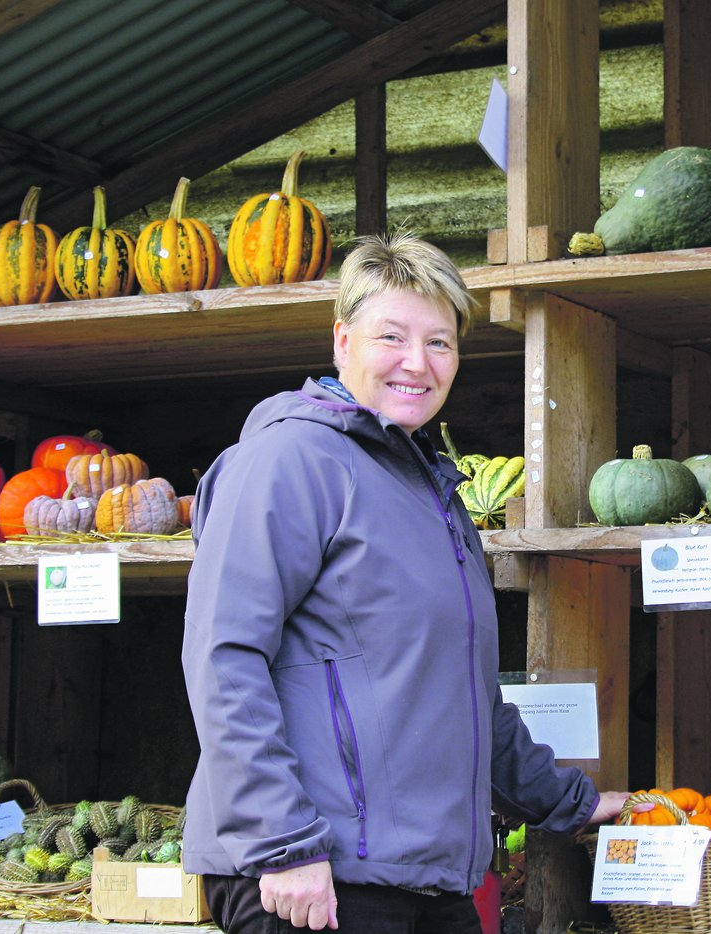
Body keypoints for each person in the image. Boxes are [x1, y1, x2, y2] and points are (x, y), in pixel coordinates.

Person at [181, 231, 633, 933]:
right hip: (316, 875)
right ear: (342, 341)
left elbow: (465, 696)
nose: (416, 364)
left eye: (440, 343)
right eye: (391, 337)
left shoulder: (434, 493)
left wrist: (567, 802)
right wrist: (281, 844)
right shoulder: (289, 460)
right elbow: (223, 657)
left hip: (425, 877)